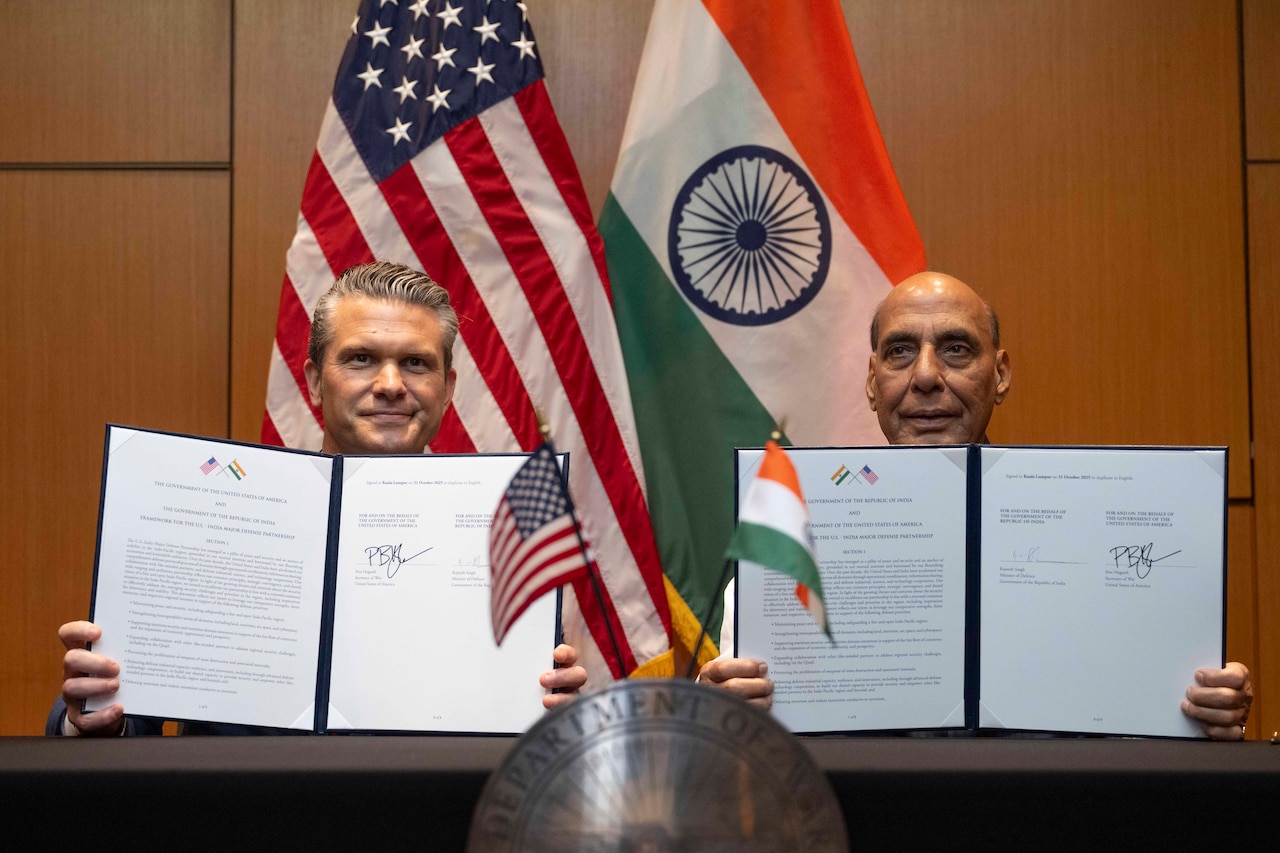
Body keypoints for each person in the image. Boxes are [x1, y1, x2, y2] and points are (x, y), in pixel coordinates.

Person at [548, 271, 1254, 740]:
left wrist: (1204, 708)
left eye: (955, 349)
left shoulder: (1087, 516)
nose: (925, 378)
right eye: (899, 353)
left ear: (999, 373)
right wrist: (725, 705)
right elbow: (741, 722)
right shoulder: (788, 530)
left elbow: (1143, 705)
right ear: (870, 381)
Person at [50, 260, 541, 734]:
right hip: (241, 812)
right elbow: (125, 714)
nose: (390, 385)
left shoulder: (502, 535)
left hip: (428, 813)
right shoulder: (213, 519)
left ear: (447, 387)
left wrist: (545, 705)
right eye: (361, 359)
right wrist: (90, 712)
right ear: (312, 381)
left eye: (415, 363)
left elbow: (516, 734)